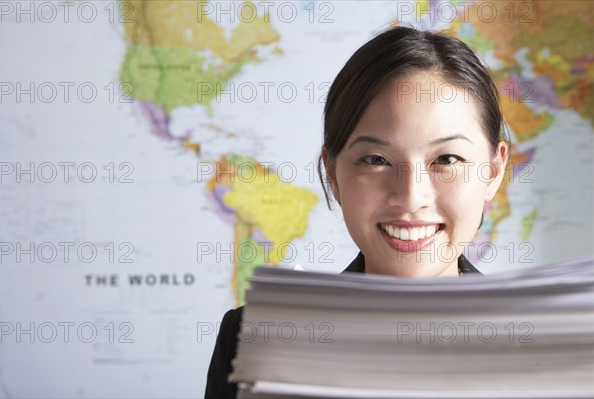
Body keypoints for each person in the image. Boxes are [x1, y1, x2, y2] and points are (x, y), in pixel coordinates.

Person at [205, 25, 509, 398]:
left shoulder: (548, 341)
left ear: (493, 171)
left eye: (446, 158)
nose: (411, 197)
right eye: (375, 159)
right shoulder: (253, 336)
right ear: (332, 173)